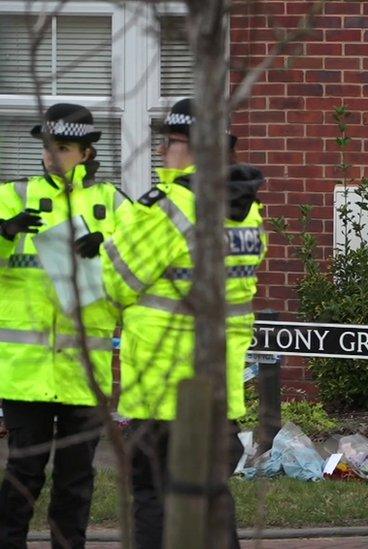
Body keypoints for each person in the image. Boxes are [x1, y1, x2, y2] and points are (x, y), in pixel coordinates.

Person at [101, 98, 266, 549]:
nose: (160, 152)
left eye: (169, 142)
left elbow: (115, 281)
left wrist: (113, 238)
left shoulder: (165, 209)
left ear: (191, 147)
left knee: (154, 498)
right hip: (218, 387)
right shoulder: (246, 208)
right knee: (213, 500)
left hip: (162, 386)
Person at [0, 103, 130, 548]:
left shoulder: (111, 203)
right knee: (22, 475)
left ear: (87, 153)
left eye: (64, 147)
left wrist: (108, 246)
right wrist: (3, 232)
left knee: (76, 482)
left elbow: (144, 265)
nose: (53, 156)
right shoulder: (12, 196)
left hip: (84, 373)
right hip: (25, 372)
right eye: (48, 147)